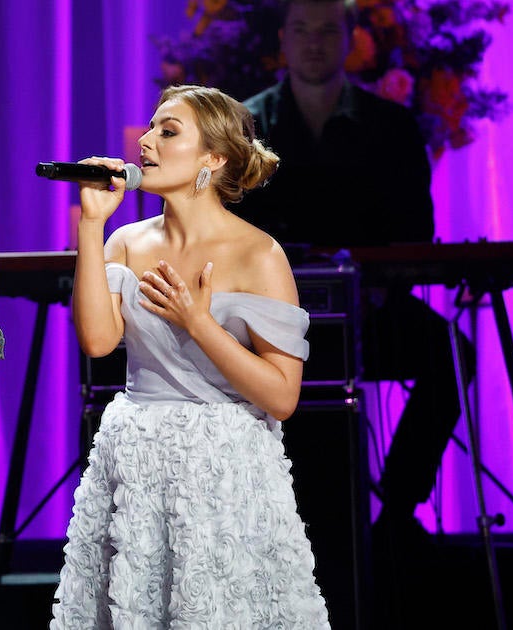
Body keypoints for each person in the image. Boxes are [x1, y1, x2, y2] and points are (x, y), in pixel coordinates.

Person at [51, 84, 329, 628]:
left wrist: (198, 323)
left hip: (223, 466)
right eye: (151, 128)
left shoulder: (259, 253)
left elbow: (281, 396)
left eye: (168, 131)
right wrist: (90, 224)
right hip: (136, 460)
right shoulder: (125, 241)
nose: (146, 142)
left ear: (214, 158)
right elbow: (97, 341)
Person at [235, 0, 473, 544]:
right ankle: (245, 522)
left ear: (349, 39)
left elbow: (416, 228)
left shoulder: (390, 125)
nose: (313, 42)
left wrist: (380, 288)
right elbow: (217, 230)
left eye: (326, 30)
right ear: (283, 39)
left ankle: (396, 512)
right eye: (301, 30)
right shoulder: (244, 128)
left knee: (452, 356)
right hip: (266, 319)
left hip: (368, 308)